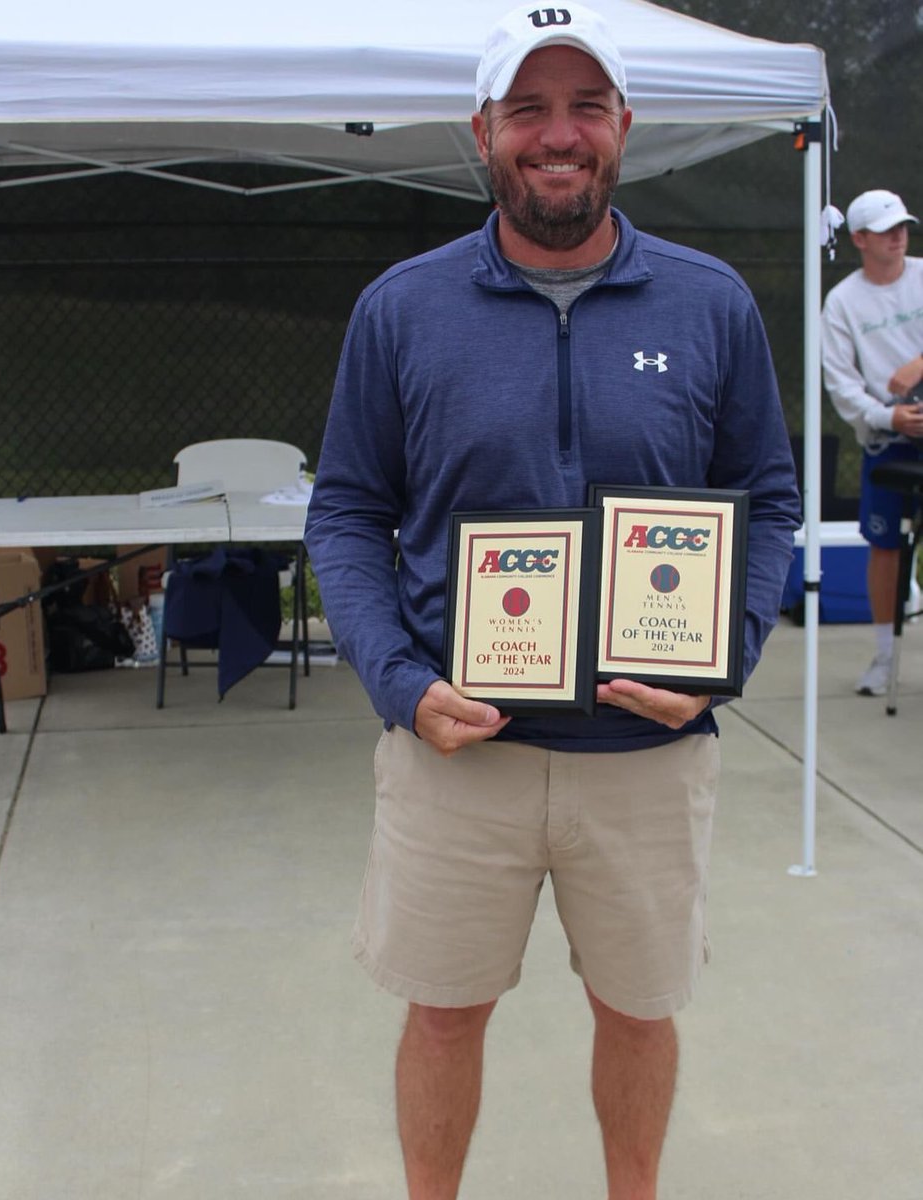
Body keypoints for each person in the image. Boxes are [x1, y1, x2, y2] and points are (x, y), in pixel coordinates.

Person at [304, 5, 800, 1197]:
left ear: (622, 127)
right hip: (455, 754)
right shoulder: (402, 308)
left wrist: (719, 657)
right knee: (441, 1018)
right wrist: (398, 682)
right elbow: (347, 513)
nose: (557, 134)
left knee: (638, 1016)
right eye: (528, 109)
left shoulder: (710, 301)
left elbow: (769, 503)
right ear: (484, 132)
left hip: (645, 754)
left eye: (584, 107)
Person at [821, 189, 923, 695]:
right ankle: (886, 656)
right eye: (885, 230)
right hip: (888, 441)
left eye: (902, 226)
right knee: (884, 546)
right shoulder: (842, 301)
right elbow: (840, 383)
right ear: (860, 239)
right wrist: (890, 416)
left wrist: (919, 366)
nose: (898, 236)